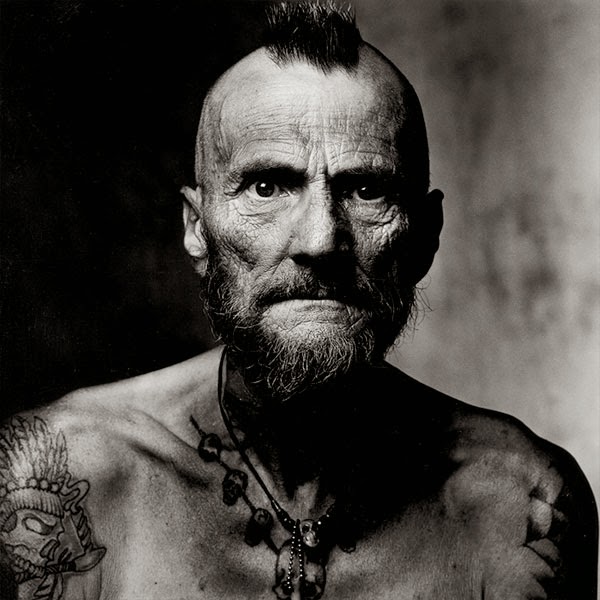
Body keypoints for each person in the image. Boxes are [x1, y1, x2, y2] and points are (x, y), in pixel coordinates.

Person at [0, 2, 597, 599]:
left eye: (366, 189)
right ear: (196, 227)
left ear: (425, 235)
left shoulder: (522, 504)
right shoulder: (56, 483)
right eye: (267, 186)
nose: (320, 242)